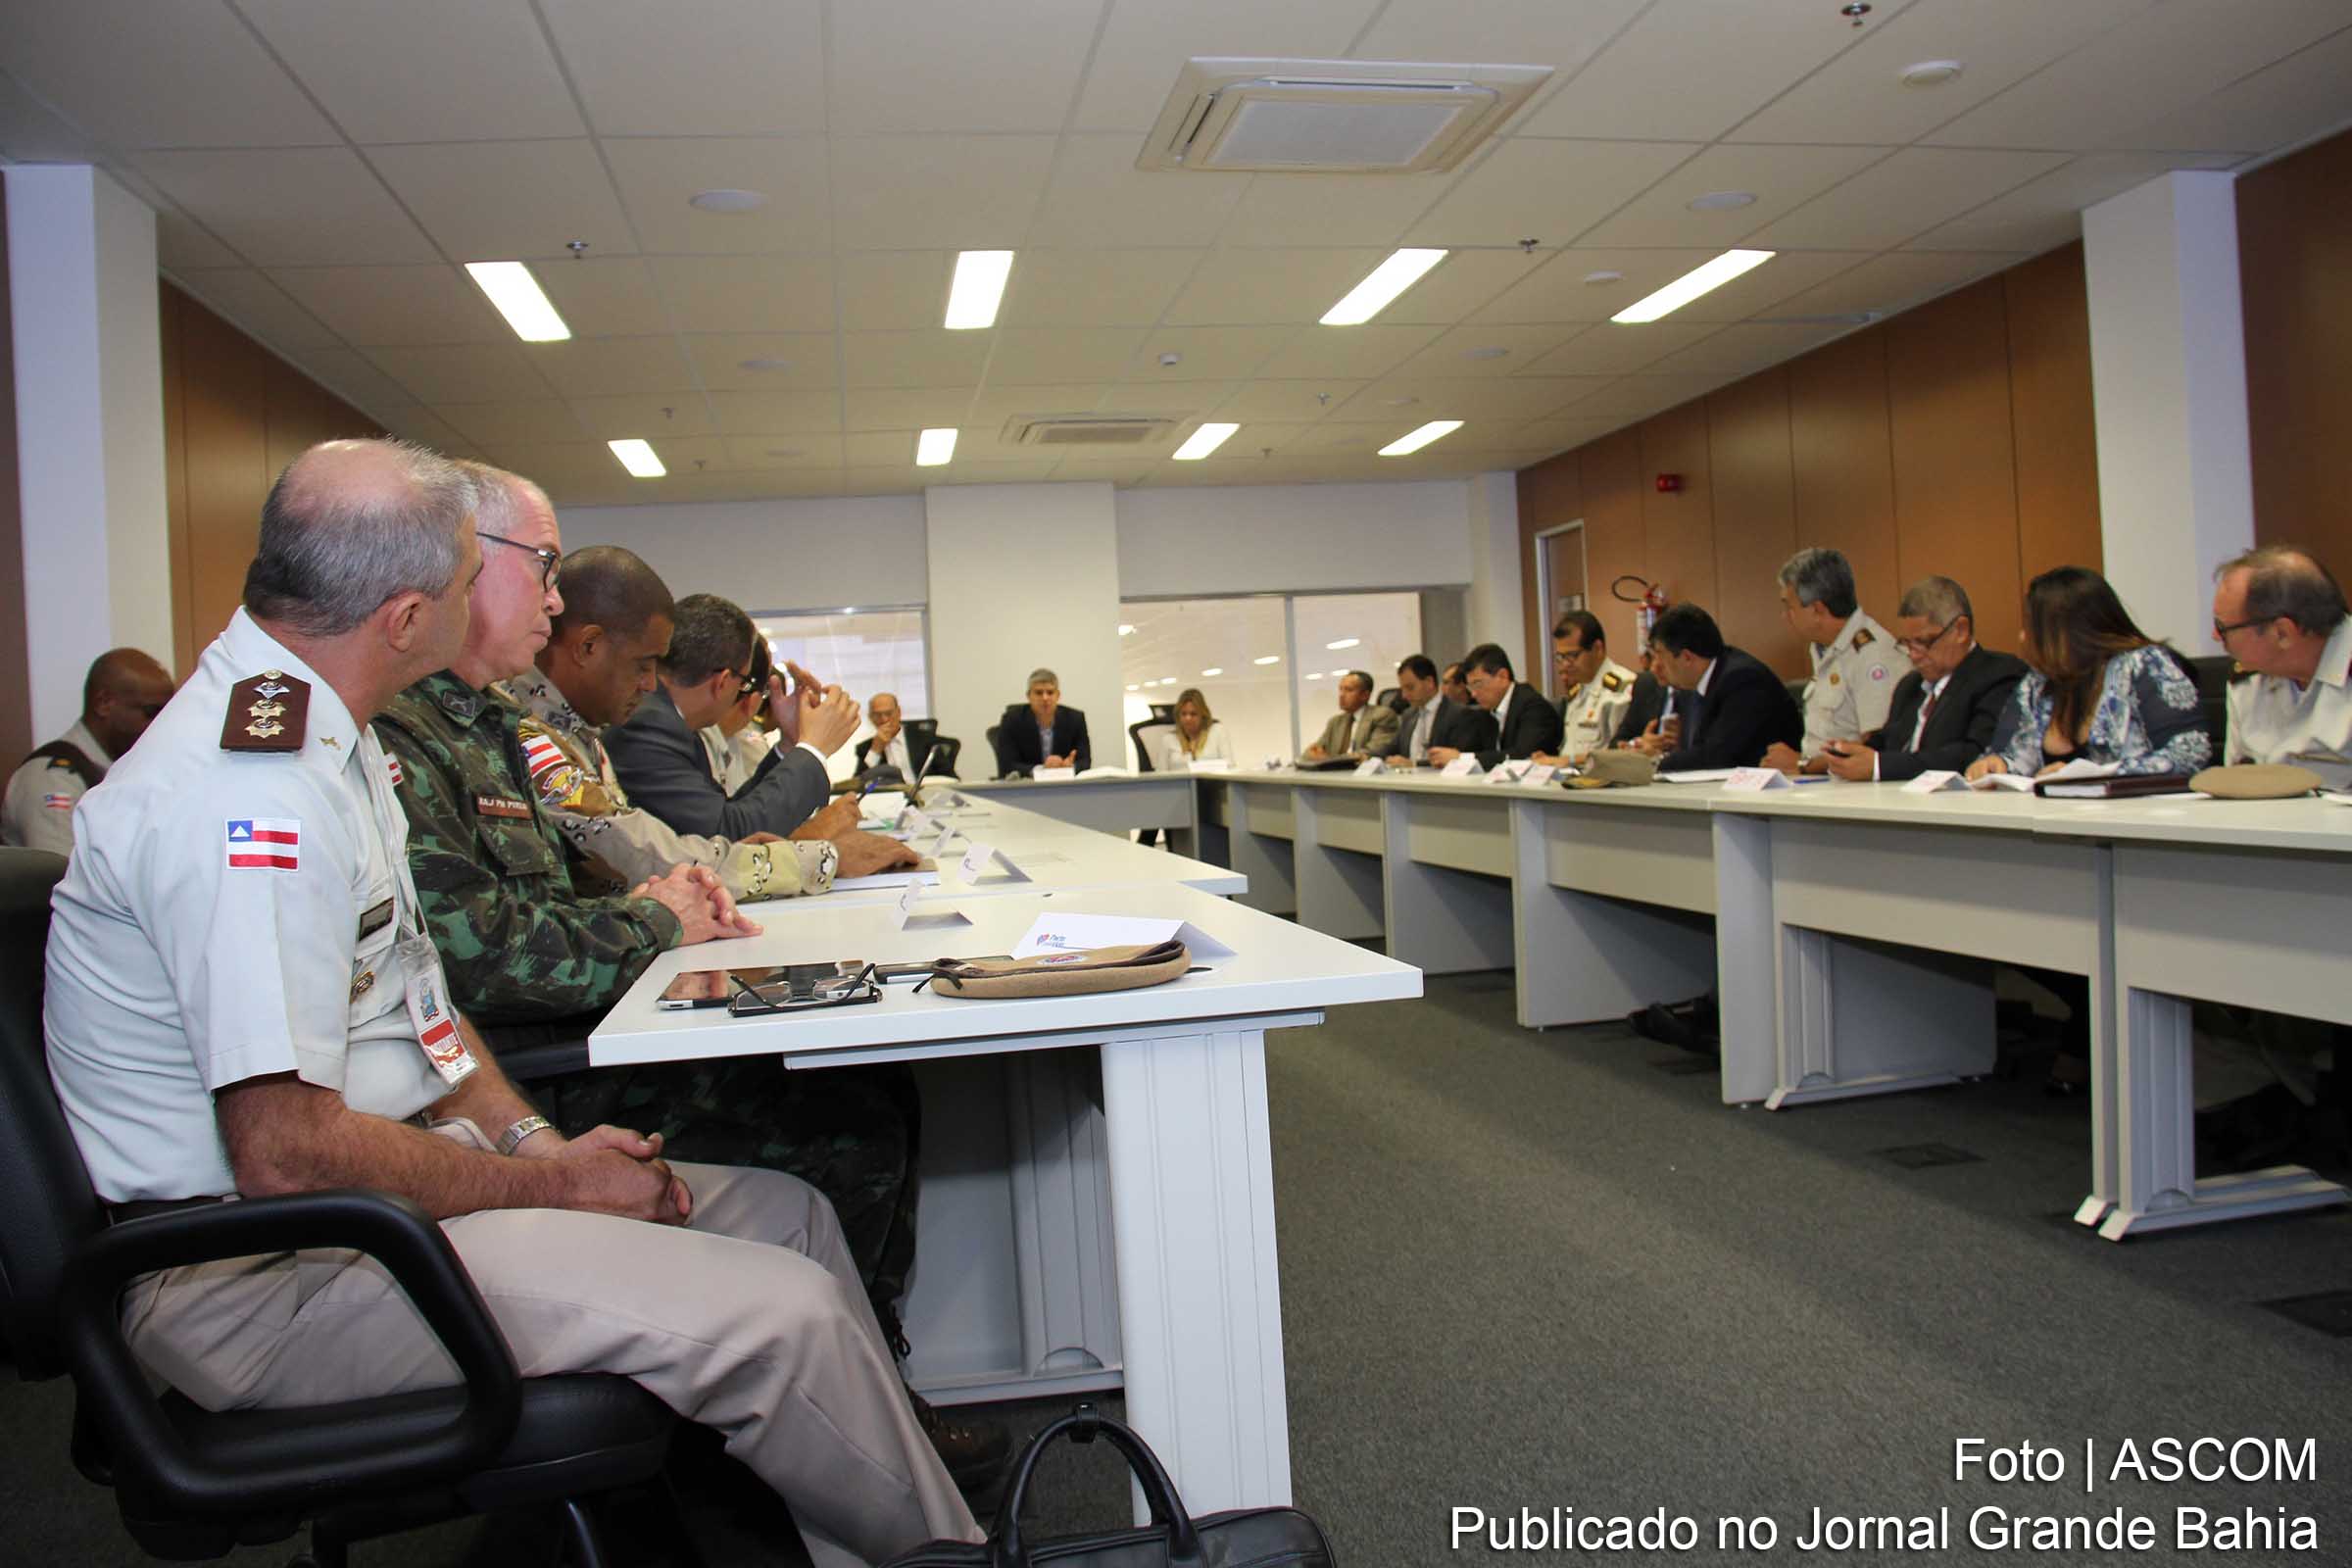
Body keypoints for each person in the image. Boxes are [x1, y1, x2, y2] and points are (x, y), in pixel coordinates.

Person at [41, 438, 981, 1568]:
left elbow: (424, 1013)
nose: (539, 599)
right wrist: (551, 1185)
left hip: (371, 1211)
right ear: (405, 618)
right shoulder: (252, 797)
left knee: (795, 1219)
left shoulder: (330, 739)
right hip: (266, 1278)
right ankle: (949, 1553)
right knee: (785, 1312)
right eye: (468, 576)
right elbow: (285, 1151)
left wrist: (540, 1142)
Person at [507, 544, 877, 901]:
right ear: (588, 646)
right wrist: (822, 859)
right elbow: (645, 859)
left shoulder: (575, 727)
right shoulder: (533, 734)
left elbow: (702, 837)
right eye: (642, 665)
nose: (650, 684)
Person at [608, 594, 864, 840]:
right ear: (722, 682)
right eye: (743, 683)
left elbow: (728, 813)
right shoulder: (648, 727)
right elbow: (729, 835)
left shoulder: (669, 720)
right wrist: (813, 749)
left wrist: (791, 743)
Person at [1964, 566, 2211, 781]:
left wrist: (2093, 775)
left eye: (2033, 628)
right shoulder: (2037, 683)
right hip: (2057, 815)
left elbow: (2189, 755)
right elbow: (2009, 753)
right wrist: (1996, 764)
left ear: (2069, 632)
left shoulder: (2145, 665)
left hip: (2142, 815)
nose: (2022, 637)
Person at [1821, 576, 2029, 782]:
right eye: (1907, 644)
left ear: (1961, 630)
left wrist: (1880, 766)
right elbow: (1886, 742)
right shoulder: (1909, 686)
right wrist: (1848, 755)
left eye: (1923, 642)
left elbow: (1974, 753)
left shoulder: (1998, 675)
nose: (1913, 655)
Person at [2, 647, 175, 855]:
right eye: (152, 712)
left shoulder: (134, 769)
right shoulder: (54, 778)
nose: (161, 724)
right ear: (103, 703)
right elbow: (59, 868)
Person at [1763, 547, 1899, 773]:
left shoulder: (1873, 656)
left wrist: (1801, 765)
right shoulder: (1824, 648)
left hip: (1853, 789)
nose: (1784, 616)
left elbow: (1877, 749)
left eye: (1789, 607)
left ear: (1817, 610)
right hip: (1821, 783)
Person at [2214, 544, 2352, 763]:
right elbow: (2238, 778)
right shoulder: (2247, 683)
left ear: (2282, 633)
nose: (2215, 636)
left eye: (2222, 628)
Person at [1630, 604, 1802, 771]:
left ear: (1687, 658)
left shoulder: (1743, 680)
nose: (1655, 666)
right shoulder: (1691, 685)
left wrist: (1655, 761)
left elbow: (1717, 756)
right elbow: (1696, 751)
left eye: (1659, 655)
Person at [1432, 644, 1560, 770]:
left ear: (1502, 676)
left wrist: (1463, 758)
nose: (1473, 694)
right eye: (1470, 687)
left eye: (1478, 684)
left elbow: (1522, 757)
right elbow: (1475, 750)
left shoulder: (1533, 706)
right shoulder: (1487, 711)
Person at [1534, 612, 1636, 767]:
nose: (1565, 665)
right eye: (1560, 657)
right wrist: (1549, 760)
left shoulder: (1619, 689)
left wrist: (1566, 761)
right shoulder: (1578, 690)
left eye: (1572, 656)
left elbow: (1620, 754)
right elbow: (1570, 748)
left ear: (1598, 649)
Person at [1377, 654, 1493, 765]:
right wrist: (1369, 756)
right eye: (1402, 689)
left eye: (1410, 688)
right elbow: (1391, 748)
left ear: (1429, 682)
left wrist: (1414, 765)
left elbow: (1456, 759)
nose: (1404, 695)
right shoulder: (1408, 715)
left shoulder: (1460, 715)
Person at [993, 668, 1091, 776]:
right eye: (1039, 693)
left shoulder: (1075, 719)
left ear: (1058, 695)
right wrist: (1042, 769)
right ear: (1029, 696)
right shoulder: (1012, 720)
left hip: (1064, 783)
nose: (1045, 698)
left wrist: (1070, 767)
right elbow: (1007, 765)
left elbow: (1085, 761)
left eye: (1050, 692)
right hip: (1027, 784)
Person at [1302, 669, 1400, 760]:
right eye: (1340, 689)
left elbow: (1373, 752)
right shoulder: (1336, 721)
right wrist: (1313, 754)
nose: (1342, 695)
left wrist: (1330, 760)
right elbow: (1312, 751)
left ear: (1365, 695)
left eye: (1348, 690)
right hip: (1337, 772)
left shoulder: (1382, 715)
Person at [858, 690, 946, 781]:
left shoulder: (925, 738)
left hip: (923, 789)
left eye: (888, 713)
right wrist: (875, 750)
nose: (884, 719)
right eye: (877, 715)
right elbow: (857, 784)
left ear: (898, 712)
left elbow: (948, 776)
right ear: (870, 718)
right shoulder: (864, 748)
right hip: (889, 790)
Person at [1157, 687, 1234, 768]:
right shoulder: (1168, 739)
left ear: (1202, 714)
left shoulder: (1217, 731)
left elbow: (1230, 765)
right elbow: (1160, 772)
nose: (1188, 718)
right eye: (1184, 714)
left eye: (1193, 714)